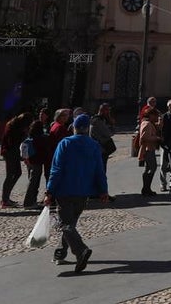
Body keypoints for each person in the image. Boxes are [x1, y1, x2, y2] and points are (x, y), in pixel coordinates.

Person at [45, 113, 109, 274]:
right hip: (83, 191)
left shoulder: (65, 143)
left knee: (65, 224)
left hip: (64, 190)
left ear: (73, 127)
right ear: (87, 129)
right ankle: (60, 252)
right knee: (70, 224)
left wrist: (49, 191)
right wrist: (103, 190)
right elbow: (99, 171)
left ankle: (81, 250)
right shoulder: (94, 145)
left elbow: (56, 170)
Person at [0, 112, 31, 208]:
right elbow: (13, 142)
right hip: (10, 153)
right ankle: (5, 200)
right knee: (10, 175)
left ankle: (6, 197)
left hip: (11, 152)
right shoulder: (14, 128)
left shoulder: (13, 124)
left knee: (17, 173)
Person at [22, 119, 50, 208]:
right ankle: (29, 202)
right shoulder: (43, 138)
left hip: (30, 161)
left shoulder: (29, 138)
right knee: (34, 182)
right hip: (37, 161)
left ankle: (31, 201)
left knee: (33, 180)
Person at [137, 107, 162, 196]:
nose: (156, 118)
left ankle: (146, 188)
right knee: (152, 168)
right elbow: (144, 138)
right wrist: (157, 138)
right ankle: (146, 188)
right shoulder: (147, 124)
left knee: (149, 168)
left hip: (149, 148)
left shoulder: (149, 123)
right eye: (155, 116)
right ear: (151, 115)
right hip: (147, 149)